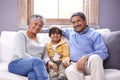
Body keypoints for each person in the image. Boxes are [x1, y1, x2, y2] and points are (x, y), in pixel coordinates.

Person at [61, 12, 109, 80]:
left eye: (78, 21)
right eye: (73, 22)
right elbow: (56, 30)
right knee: (69, 70)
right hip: (76, 64)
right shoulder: (71, 32)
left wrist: (86, 56)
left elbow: (103, 52)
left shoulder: (94, 34)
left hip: (90, 64)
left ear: (84, 20)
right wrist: (41, 29)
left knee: (95, 57)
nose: (76, 24)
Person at [8, 15, 54, 80]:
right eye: (35, 24)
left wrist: (48, 62)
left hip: (35, 66)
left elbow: (45, 56)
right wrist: (38, 63)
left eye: (40, 26)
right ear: (29, 23)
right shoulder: (21, 34)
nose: (37, 27)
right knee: (37, 61)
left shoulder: (42, 40)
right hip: (17, 64)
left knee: (33, 76)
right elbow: (21, 54)